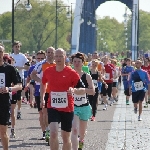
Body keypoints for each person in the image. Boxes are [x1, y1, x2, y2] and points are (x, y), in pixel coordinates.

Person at [41, 48, 88, 150]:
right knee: (53, 133)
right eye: (56, 56)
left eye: (60, 56)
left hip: (67, 108)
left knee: (66, 137)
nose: (58, 58)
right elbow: (43, 84)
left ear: (65, 57)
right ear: (54, 57)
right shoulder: (48, 71)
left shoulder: (71, 72)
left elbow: (82, 89)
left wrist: (74, 90)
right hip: (52, 106)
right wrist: (42, 98)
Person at [71, 53, 95, 150]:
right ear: (72, 63)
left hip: (84, 106)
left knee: (82, 132)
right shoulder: (69, 75)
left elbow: (93, 91)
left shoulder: (87, 76)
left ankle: (81, 141)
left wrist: (82, 90)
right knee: (75, 130)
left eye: (79, 62)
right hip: (73, 106)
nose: (76, 63)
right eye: (75, 62)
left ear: (83, 63)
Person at [31, 47, 56, 142]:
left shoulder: (57, 64)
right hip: (43, 91)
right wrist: (42, 81)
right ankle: (47, 131)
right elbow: (33, 75)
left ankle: (52, 129)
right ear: (46, 54)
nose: (50, 54)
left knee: (53, 112)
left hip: (55, 92)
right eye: (48, 52)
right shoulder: (41, 64)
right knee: (44, 112)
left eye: (51, 52)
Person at [0, 44, 22, 150]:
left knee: (3, 131)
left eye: (0, 51)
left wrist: (9, 89)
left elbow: (19, 85)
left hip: (3, 102)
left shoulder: (10, 69)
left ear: (3, 53)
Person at [10, 41, 29, 119]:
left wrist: (20, 68)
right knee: (11, 95)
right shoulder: (10, 56)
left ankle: (19, 110)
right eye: (15, 47)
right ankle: (11, 111)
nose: (17, 48)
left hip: (20, 77)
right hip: (11, 78)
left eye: (18, 47)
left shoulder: (22, 56)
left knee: (18, 96)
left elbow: (27, 66)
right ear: (13, 47)